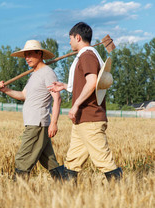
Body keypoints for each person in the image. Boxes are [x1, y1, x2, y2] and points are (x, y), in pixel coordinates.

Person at [47, 22, 122, 182]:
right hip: (82, 119)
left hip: (90, 118)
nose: (69, 42)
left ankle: (122, 191)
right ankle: (68, 197)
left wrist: (75, 105)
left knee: (103, 160)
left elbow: (92, 82)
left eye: (70, 38)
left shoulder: (87, 56)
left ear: (78, 37)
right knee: (72, 162)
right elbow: (85, 85)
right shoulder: (87, 55)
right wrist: (65, 86)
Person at [0, 40, 64, 181]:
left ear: (40, 54)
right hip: (34, 123)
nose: (27, 58)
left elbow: (57, 98)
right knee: (49, 161)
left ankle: (17, 191)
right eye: (25, 55)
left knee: (23, 157)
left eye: (30, 54)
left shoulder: (47, 73)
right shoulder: (34, 75)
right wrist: (5, 90)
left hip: (37, 123)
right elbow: (23, 95)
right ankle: (67, 183)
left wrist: (54, 122)